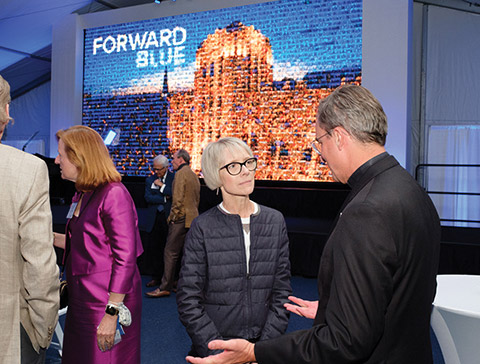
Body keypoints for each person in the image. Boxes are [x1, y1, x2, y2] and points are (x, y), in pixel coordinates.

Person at [185, 85, 441, 364]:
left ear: (340, 137)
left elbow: (347, 341)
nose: (321, 153)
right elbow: (396, 294)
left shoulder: (367, 210)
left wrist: (255, 352)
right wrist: (337, 308)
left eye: (320, 142)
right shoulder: (409, 189)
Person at [176, 137, 292, 357]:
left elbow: (282, 293)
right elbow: (189, 299)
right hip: (217, 350)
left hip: (263, 349)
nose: (246, 171)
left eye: (248, 162)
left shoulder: (275, 221)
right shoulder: (203, 227)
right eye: (233, 166)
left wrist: (259, 351)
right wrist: (220, 350)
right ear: (215, 175)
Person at [54, 125, 143, 363]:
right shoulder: (83, 194)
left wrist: (112, 311)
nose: (56, 160)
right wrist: (46, 237)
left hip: (107, 302)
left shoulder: (114, 193)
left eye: (61, 155)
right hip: (82, 299)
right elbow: (84, 246)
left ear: (79, 157)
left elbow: (125, 257)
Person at [0, 74, 60, 364]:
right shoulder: (27, 170)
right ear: (5, 112)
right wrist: (43, 332)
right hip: (8, 329)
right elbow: (40, 266)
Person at [146, 149, 200, 298]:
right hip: (192, 218)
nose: (172, 162)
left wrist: (172, 217)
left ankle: (164, 287)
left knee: (170, 252)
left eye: (174, 159)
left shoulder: (180, 175)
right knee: (186, 254)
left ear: (181, 160)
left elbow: (177, 200)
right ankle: (182, 284)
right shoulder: (192, 174)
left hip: (180, 218)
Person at [143, 155, 174, 288]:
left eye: (159, 170)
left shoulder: (174, 178)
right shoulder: (150, 179)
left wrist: (162, 187)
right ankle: (156, 277)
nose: (157, 172)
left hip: (168, 218)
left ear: (167, 167)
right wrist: (164, 198)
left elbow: (173, 194)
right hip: (154, 218)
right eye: (155, 169)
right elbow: (148, 197)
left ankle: (170, 279)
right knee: (155, 249)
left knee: (169, 250)